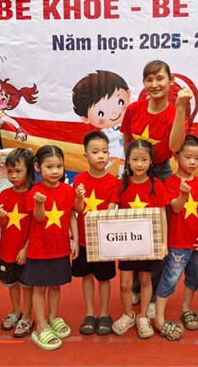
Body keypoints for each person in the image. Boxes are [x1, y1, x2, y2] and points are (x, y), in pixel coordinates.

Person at [120, 60, 192, 314]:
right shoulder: (134, 109)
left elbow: (174, 147)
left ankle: (153, 295)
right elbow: (127, 140)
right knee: (133, 227)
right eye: (149, 80)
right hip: (134, 170)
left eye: (160, 78)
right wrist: (129, 169)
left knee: (159, 233)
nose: (154, 84)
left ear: (171, 81)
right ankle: (136, 287)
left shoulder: (176, 112)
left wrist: (181, 108)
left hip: (160, 172)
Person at [22, 145, 80, 351]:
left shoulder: (67, 189)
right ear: (38, 167)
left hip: (61, 248)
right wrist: (39, 204)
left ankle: (53, 318)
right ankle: (41, 325)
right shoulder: (34, 192)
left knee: (56, 286)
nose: (55, 171)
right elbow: (39, 218)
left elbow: (73, 214)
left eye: (59, 166)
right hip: (40, 249)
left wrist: (75, 239)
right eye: (49, 167)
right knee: (40, 288)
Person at [153, 135, 198, 341]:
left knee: (194, 276)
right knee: (170, 279)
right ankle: (159, 317)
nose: (193, 162)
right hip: (177, 242)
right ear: (176, 156)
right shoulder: (170, 182)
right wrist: (183, 194)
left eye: (197, 158)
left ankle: (186, 308)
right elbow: (175, 208)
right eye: (188, 157)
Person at [113, 140, 169, 339]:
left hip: (148, 243)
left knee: (145, 280)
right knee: (125, 284)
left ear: (151, 161)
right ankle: (128, 314)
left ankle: (143, 316)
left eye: (144, 160)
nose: (139, 164)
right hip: (126, 244)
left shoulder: (157, 185)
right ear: (127, 160)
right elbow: (111, 212)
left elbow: (162, 215)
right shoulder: (122, 184)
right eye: (135, 159)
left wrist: (163, 242)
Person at [72, 131, 120, 336]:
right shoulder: (79, 180)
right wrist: (79, 198)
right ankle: (90, 313)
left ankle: (104, 313)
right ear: (86, 155)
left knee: (104, 278)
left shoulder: (113, 181)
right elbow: (77, 209)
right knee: (87, 276)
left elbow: (111, 210)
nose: (101, 156)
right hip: (84, 240)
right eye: (95, 152)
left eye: (105, 151)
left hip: (104, 241)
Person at [0, 148, 35, 338]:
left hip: (26, 250)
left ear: (29, 170)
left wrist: (26, 249)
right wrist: (1, 217)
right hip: (7, 249)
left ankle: (27, 315)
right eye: (9, 171)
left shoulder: (33, 194)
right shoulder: (3, 194)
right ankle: (15, 311)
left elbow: (36, 226)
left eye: (18, 171)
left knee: (27, 285)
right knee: (11, 283)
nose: (13, 176)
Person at [72, 70, 131, 163]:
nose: (113, 113)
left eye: (120, 102)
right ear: (85, 118)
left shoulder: (132, 125)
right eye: (101, 113)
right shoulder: (104, 135)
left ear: (128, 94)